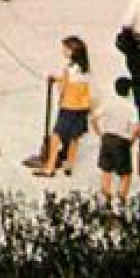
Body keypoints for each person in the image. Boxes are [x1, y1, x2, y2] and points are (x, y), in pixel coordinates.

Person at [34, 36, 92, 178]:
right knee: (74, 137)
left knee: (56, 136)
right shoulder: (85, 68)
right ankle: (69, 165)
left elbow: (64, 88)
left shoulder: (68, 68)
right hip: (82, 107)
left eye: (66, 49)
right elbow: (79, 84)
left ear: (72, 51)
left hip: (69, 107)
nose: (63, 51)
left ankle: (50, 167)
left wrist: (58, 81)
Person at [94, 76, 138, 201]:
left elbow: (93, 118)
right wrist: (131, 140)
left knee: (106, 171)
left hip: (107, 138)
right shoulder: (131, 107)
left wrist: (99, 133)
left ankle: (105, 198)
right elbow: (135, 128)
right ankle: (121, 199)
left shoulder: (109, 103)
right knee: (125, 174)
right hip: (121, 140)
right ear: (129, 91)